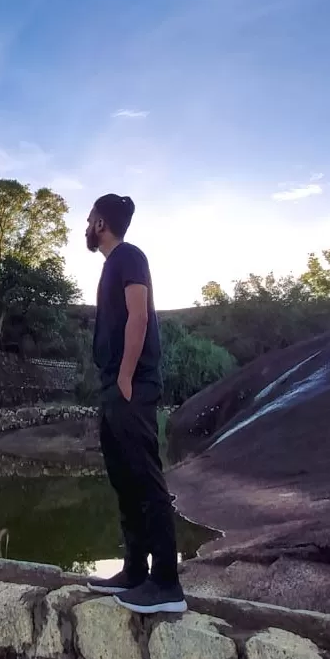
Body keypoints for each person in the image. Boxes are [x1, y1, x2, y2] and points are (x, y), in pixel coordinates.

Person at [84, 194, 186, 614]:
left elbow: (138, 315)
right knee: (124, 479)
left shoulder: (129, 256)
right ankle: (134, 570)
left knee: (145, 478)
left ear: (102, 222)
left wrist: (126, 375)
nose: (86, 225)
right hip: (113, 387)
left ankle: (166, 583)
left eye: (90, 219)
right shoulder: (113, 264)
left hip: (132, 386)